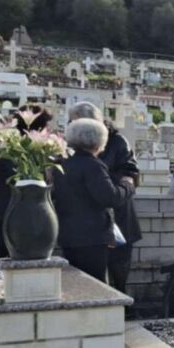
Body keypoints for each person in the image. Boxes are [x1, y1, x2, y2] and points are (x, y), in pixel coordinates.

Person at [51, 119, 135, 283]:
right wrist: (127, 184)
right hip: (92, 237)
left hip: (69, 235)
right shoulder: (93, 166)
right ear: (99, 141)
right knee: (94, 283)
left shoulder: (64, 165)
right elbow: (110, 197)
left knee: (76, 283)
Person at [0, 105, 53, 259]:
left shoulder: (29, 150)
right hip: (12, 214)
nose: (48, 132)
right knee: (12, 260)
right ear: (38, 129)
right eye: (46, 127)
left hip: (18, 213)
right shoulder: (15, 150)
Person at [99, 119, 141, 292]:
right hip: (93, 218)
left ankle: (121, 296)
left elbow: (130, 172)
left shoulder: (117, 142)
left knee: (120, 263)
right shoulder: (78, 148)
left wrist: (112, 185)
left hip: (120, 212)